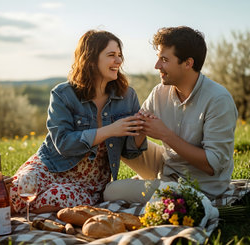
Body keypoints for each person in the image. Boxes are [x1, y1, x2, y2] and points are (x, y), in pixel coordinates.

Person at [10, 30, 147, 214]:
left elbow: (130, 152)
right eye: (111, 55)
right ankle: (20, 211)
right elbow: (63, 143)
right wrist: (110, 130)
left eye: (120, 56)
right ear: (91, 59)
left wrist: (142, 131)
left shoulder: (128, 96)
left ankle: (26, 212)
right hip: (51, 164)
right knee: (14, 192)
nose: (119, 61)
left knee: (56, 197)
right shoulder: (62, 94)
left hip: (89, 181)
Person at [103, 26, 238, 204]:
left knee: (111, 192)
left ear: (188, 63)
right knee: (116, 138)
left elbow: (212, 165)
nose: (157, 66)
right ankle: (155, 184)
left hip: (198, 184)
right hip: (168, 165)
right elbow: (133, 140)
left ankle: (160, 188)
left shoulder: (218, 100)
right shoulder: (160, 92)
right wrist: (139, 129)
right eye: (158, 58)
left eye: (164, 60)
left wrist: (164, 134)